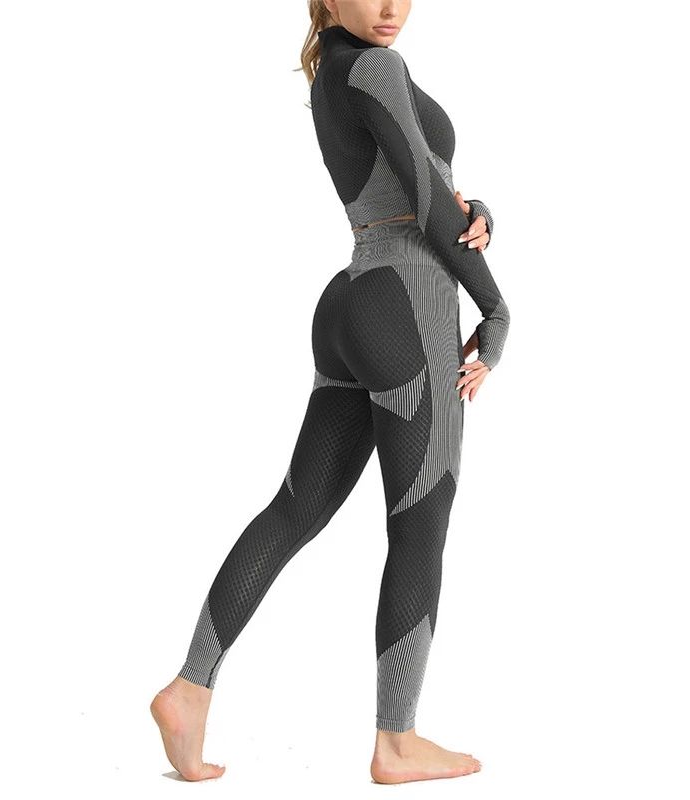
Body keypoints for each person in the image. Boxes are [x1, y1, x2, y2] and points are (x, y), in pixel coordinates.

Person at [150, 0, 509, 785]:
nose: (391, 7)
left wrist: (473, 210)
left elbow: (418, 190)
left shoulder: (333, 71)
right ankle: (397, 742)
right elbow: (424, 196)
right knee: (420, 520)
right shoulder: (377, 65)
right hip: (409, 306)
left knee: (295, 508)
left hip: (352, 298)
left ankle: (188, 689)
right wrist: (495, 306)